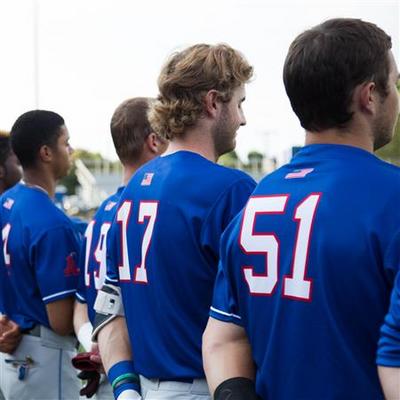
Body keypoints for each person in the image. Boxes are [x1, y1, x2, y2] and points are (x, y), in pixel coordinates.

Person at [202, 18, 400, 400]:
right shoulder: (392, 197)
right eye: (393, 84)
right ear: (369, 96)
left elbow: (224, 337)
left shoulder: (255, 202)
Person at [93, 43, 256, 400]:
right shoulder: (232, 188)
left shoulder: (133, 188)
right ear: (213, 102)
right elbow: (262, 318)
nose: (243, 118)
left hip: (143, 388)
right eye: (239, 103)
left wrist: (125, 389)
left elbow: (108, 307)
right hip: (211, 386)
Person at [73, 97, 168, 399]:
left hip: (107, 365)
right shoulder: (146, 211)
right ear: (154, 141)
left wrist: (94, 344)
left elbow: (81, 304)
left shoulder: (100, 213)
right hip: (139, 373)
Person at [0, 110, 82, 400]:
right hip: (45, 355)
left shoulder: (5, 202)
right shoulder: (52, 222)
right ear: (46, 152)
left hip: (13, 350)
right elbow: (61, 322)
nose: (70, 150)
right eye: (65, 142)